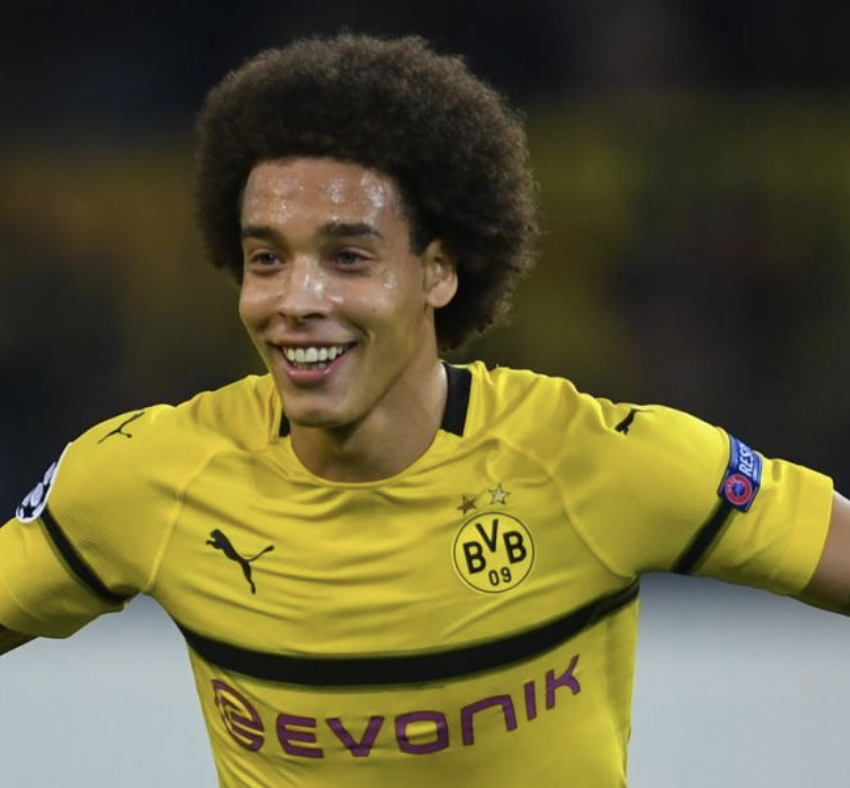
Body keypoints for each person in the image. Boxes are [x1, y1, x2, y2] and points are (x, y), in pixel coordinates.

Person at [1, 32, 848, 788]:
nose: (297, 299)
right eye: (266, 258)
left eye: (348, 257)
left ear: (438, 272)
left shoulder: (592, 462)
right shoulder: (149, 477)